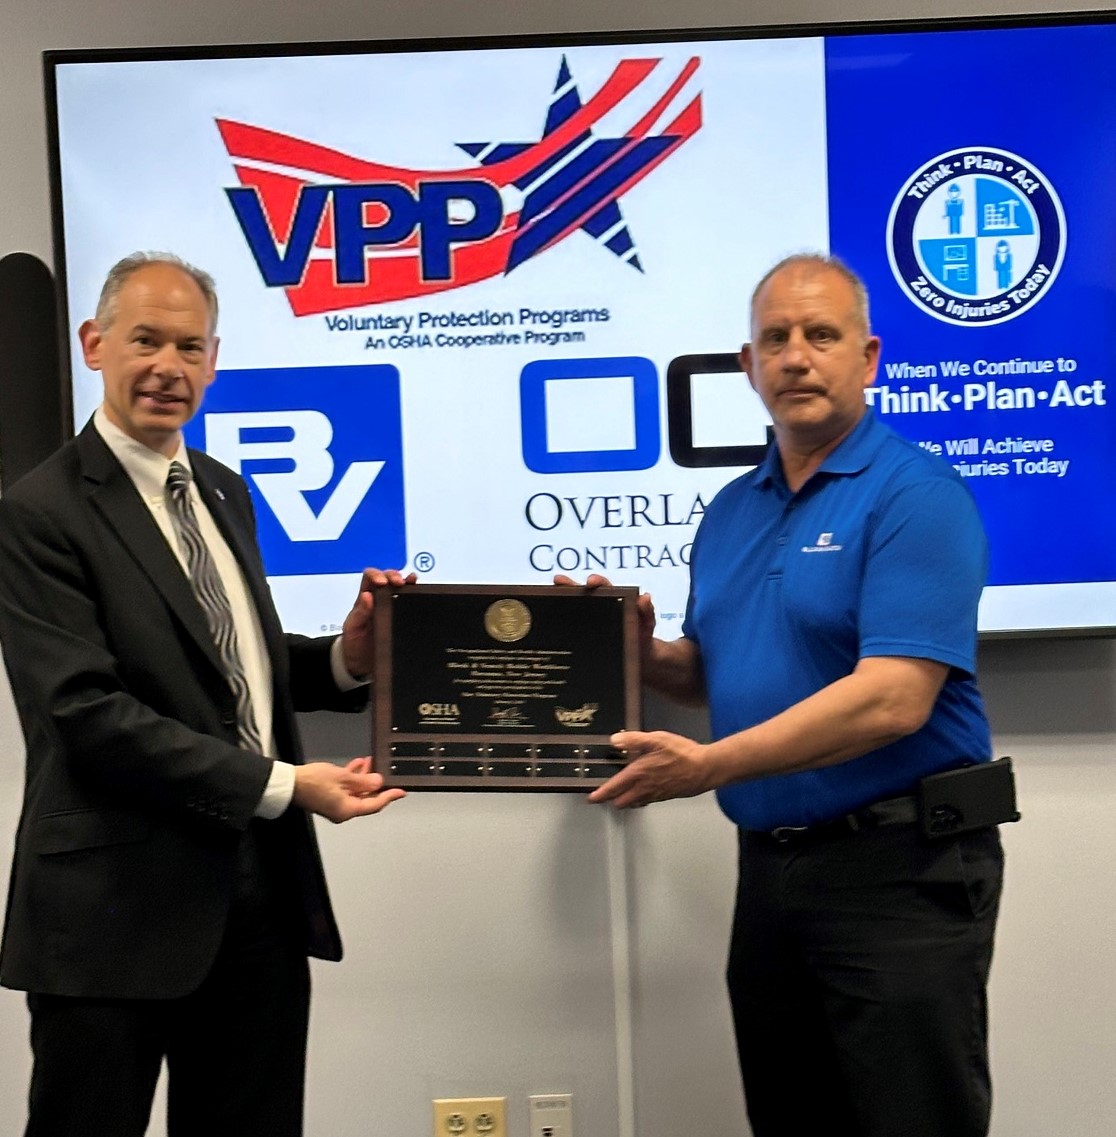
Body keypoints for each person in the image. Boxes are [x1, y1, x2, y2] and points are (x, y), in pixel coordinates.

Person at [570, 254, 1003, 1137]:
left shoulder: (918, 495)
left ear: (870, 356)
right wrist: (639, 653)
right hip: (771, 870)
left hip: (900, 869)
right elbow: (713, 672)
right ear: (748, 365)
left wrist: (710, 767)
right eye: (776, 338)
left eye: (821, 334)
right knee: (790, 1116)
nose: (797, 356)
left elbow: (892, 699)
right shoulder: (733, 508)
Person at [0, 252, 408, 1137]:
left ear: (214, 361)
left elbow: (233, 675)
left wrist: (348, 654)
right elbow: (85, 715)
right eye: (145, 340)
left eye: (190, 347)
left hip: (254, 899)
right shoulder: (38, 512)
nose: (167, 367)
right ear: (93, 343)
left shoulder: (222, 489)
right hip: (109, 918)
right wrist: (288, 784)